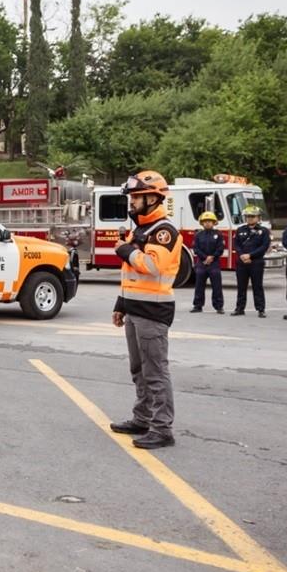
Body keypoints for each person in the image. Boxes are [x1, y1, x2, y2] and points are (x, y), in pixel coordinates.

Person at [108, 170, 181, 450]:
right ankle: (142, 418)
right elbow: (131, 275)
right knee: (138, 369)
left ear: (153, 198)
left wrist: (125, 249)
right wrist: (121, 304)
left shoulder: (163, 231)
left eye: (137, 197)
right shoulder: (139, 230)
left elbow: (152, 266)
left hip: (153, 312)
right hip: (135, 309)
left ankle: (162, 429)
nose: (132, 203)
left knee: (155, 372)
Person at [231, 205, 270, 318]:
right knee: (241, 286)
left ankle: (260, 309)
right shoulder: (240, 230)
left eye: (253, 216)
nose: (250, 219)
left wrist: (250, 255)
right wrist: (242, 255)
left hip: (256, 262)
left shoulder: (263, 231)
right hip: (241, 262)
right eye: (248, 216)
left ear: (258, 218)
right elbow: (236, 245)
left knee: (257, 286)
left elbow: (264, 246)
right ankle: (239, 308)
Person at [189, 211, 224, 314]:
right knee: (199, 286)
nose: (207, 223)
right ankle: (197, 306)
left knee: (217, 286)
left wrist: (212, 257)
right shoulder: (198, 235)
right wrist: (205, 258)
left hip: (214, 264)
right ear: (202, 223)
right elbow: (196, 248)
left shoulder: (218, 234)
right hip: (201, 264)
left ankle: (219, 307)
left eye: (210, 221)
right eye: (205, 221)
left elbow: (220, 248)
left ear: (214, 223)